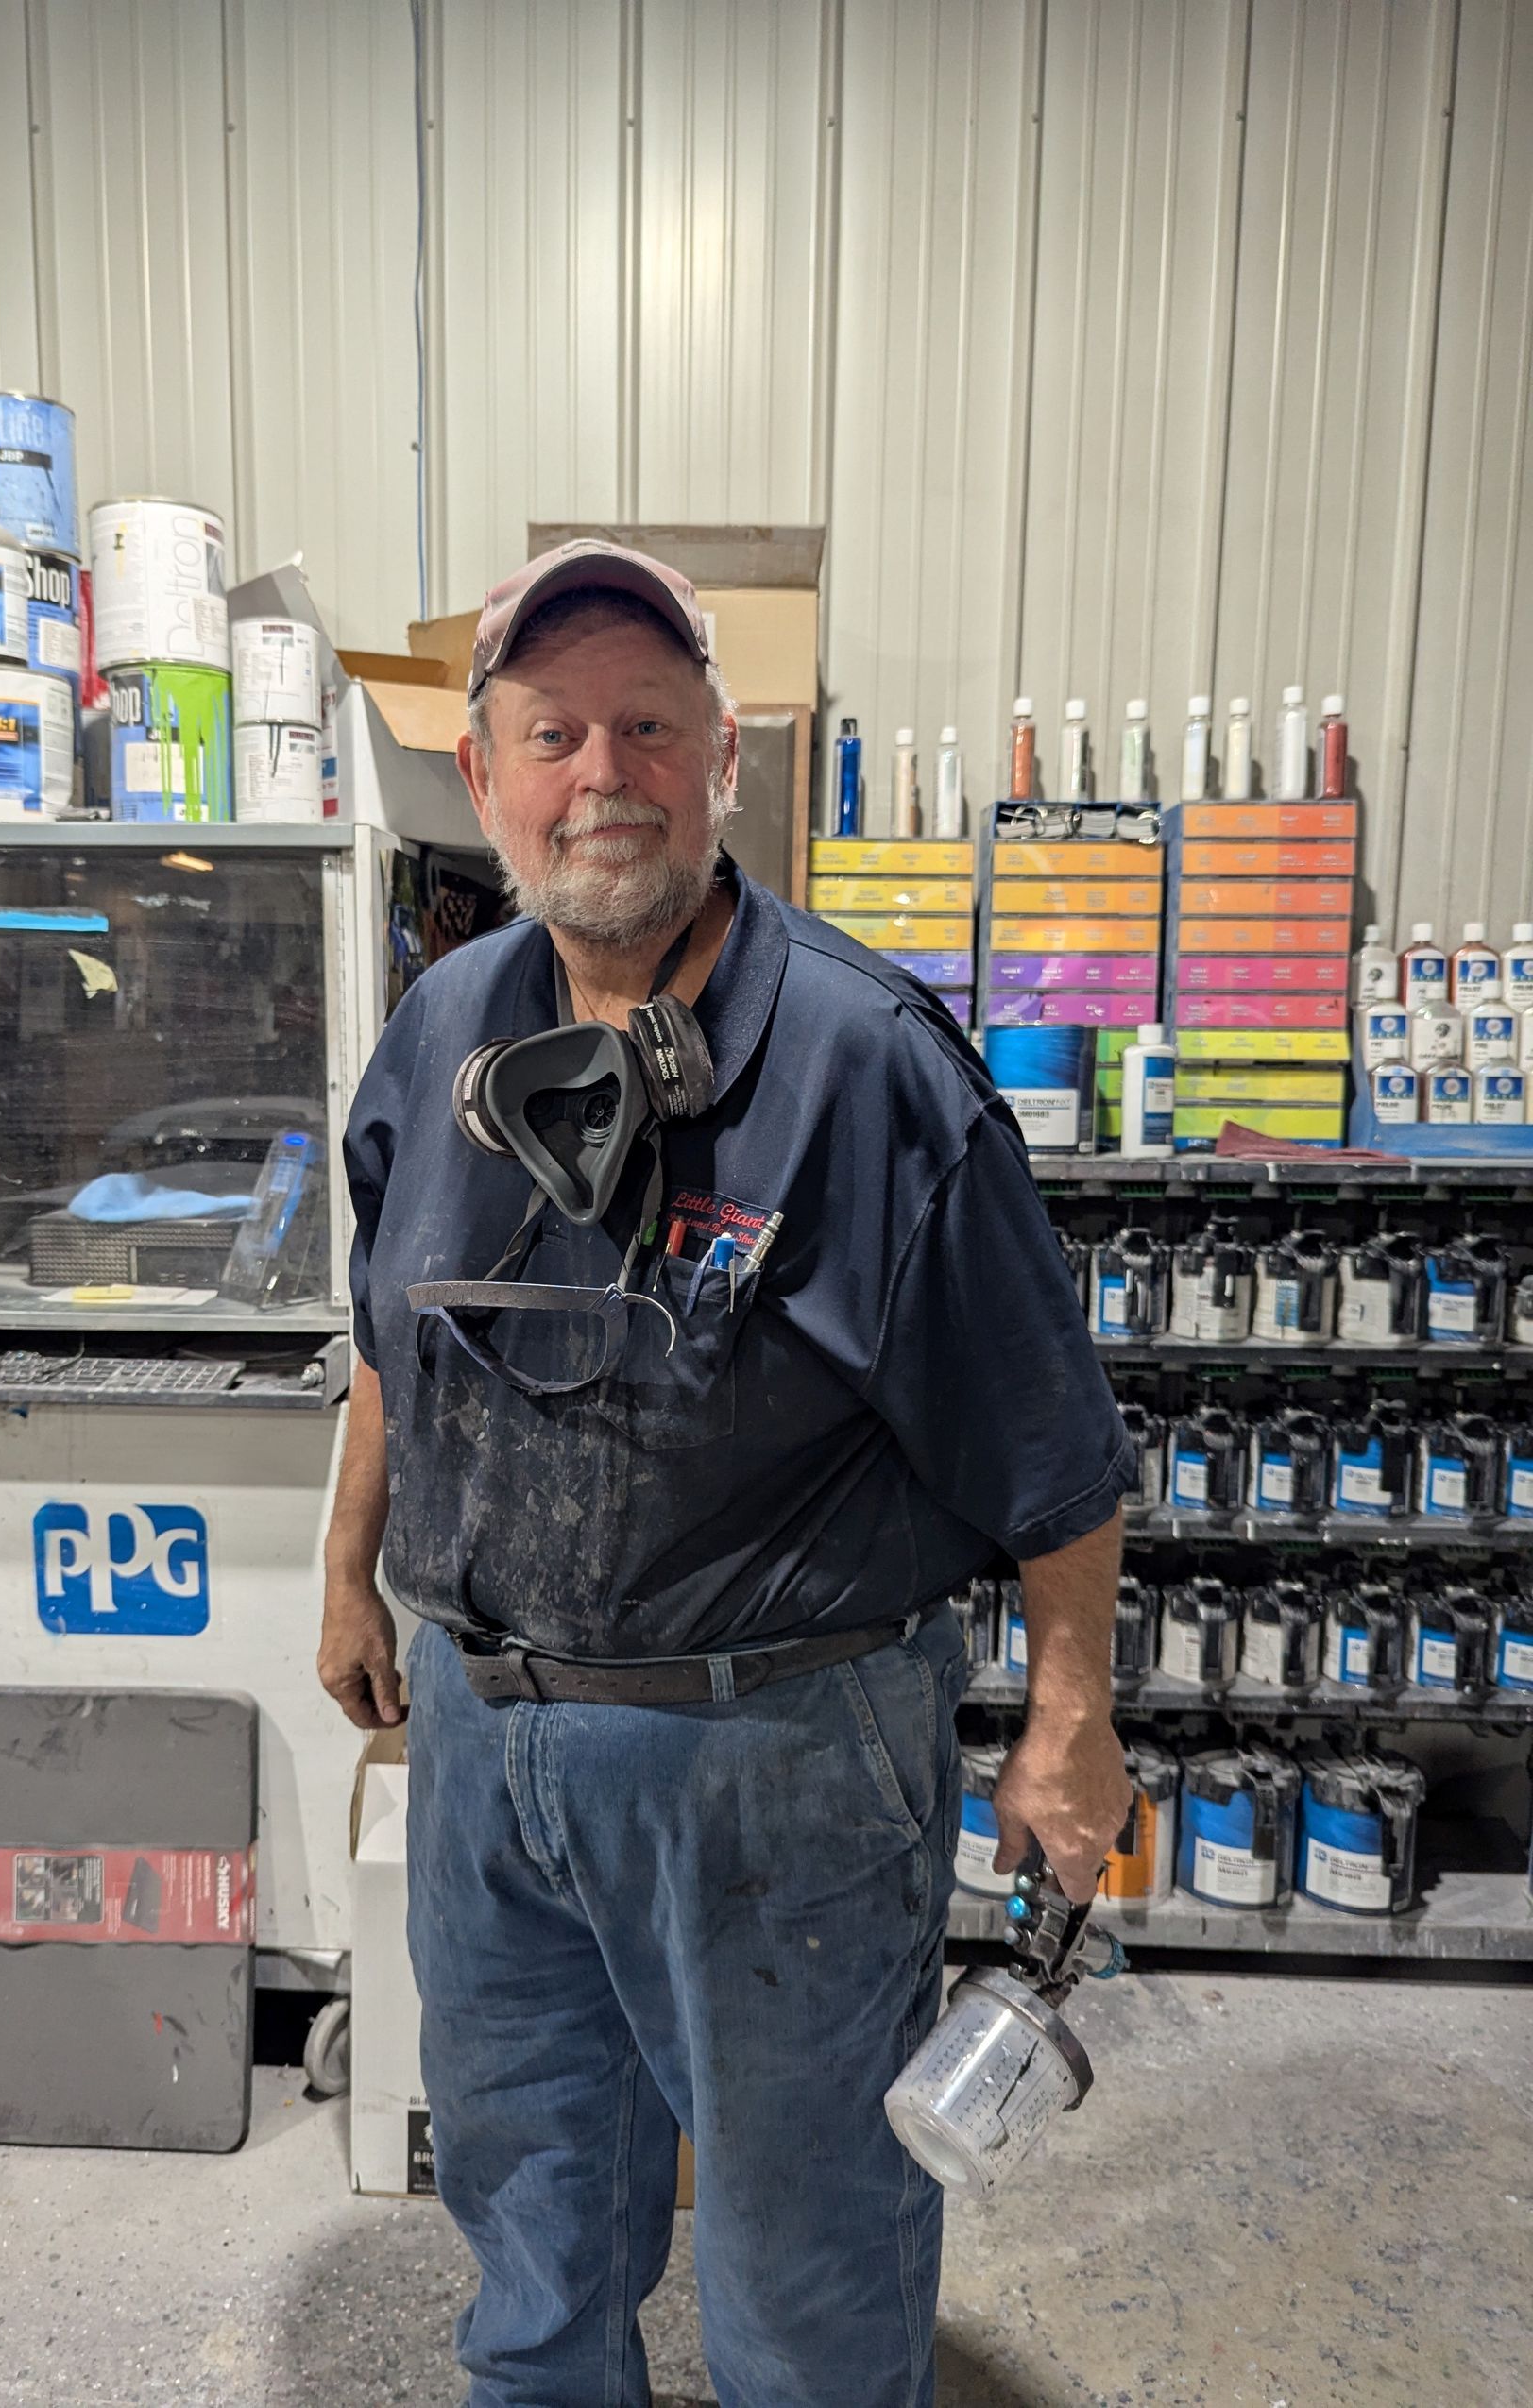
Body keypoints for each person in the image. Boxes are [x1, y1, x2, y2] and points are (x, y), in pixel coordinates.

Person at [318, 538, 1134, 2408]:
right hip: (486, 1740)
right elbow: (388, 1329)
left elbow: (1053, 1445)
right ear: (483, 774)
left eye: (650, 727)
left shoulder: (869, 1064)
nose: (602, 774)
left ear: (725, 758)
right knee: (530, 2223)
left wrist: (1071, 1723)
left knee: (804, 2268)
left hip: (778, 1760)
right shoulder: (441, 1028)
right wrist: (352, 1568)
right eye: (553, 734)